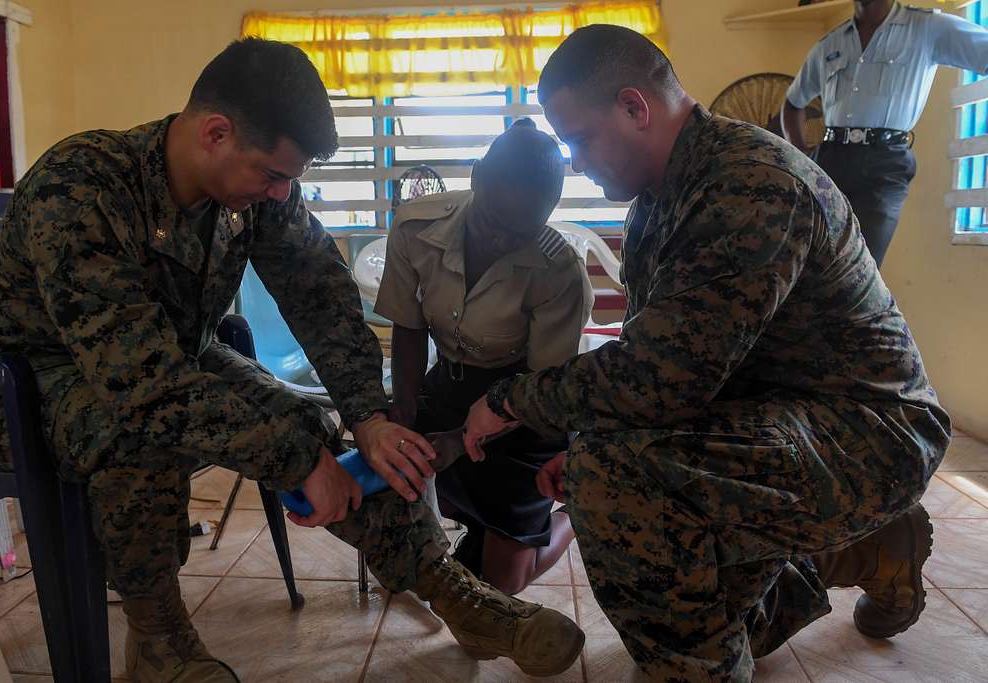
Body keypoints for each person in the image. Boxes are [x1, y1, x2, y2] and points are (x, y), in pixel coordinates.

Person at [0, 39, 584, 682]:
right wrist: (298, 464)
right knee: (146, 435)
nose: (284, 193)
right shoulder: (81, 185)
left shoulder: (258, 194)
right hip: (33, 386)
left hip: (174, 362)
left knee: (313, 426)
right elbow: (140, 383)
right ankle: (158, 639)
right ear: (216, 133)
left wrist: (368, 418)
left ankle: (459, 596)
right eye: (273, 175)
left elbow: (319, 292)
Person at [463, 24, 951, 681]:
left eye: (580, 139)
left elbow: (658, 382)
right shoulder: (656, 204)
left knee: (614, 477)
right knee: (705, 600)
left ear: (635, 108)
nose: (576, 162)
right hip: (777, 418)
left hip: (872, 434)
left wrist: (509, 401)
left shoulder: (749, 185)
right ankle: (862, 553)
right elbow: (654, 365)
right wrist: (584, 430)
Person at [376, 119, 593, 595]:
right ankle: (484, 531)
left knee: (500, 590)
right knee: (410, 485)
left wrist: (462, 436)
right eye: (493, 222)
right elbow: (409, 326)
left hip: (524, 409)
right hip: (451, 386)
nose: (500, 242)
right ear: (476, 177)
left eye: (521, 232)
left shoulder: (559, 272)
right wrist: (406, 411)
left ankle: (571, 520)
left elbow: (542, 387)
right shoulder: (417, 227)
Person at [781, 0, 988, 267]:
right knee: (806, 256)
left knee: (859, 267)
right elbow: (793, 103)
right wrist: (803, 161)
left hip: (884, 164)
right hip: (829, 160)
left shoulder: (927, 28)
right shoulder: (829, 44)